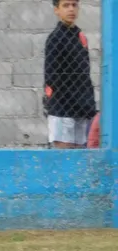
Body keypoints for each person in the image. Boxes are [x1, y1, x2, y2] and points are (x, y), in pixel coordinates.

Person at [44, 0, 97, 149]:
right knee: (64, 153)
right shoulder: (55, 38)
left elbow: (84, 74)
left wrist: (87, 103)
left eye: (74, 5)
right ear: (56, 10)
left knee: (80, 153)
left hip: (80, 108)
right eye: (66, 5)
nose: (71, 9)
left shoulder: (79, 37)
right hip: (62, 108)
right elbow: (51, 76)